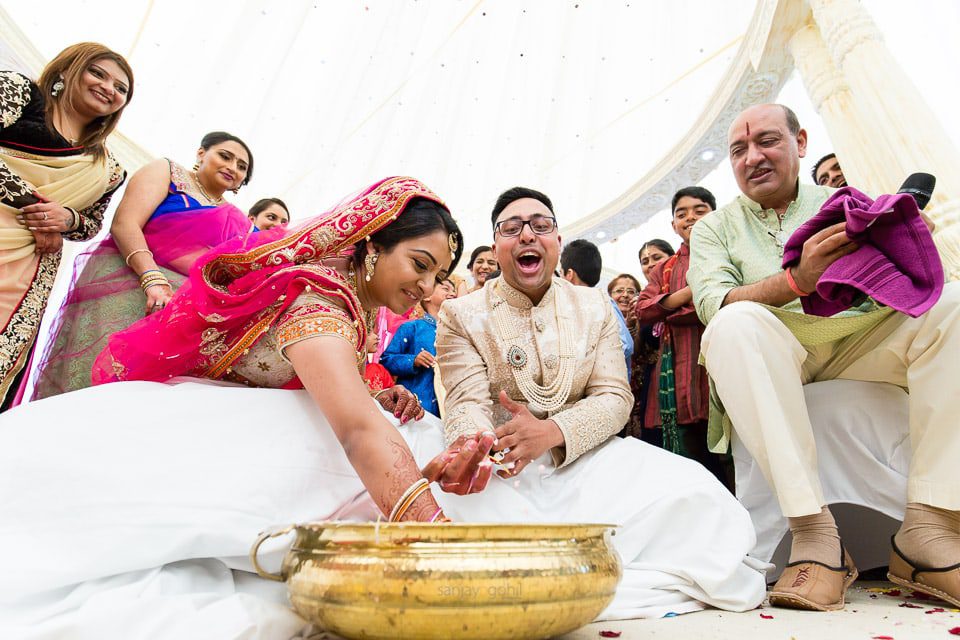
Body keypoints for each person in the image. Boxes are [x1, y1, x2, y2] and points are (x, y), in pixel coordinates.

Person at [0, 177, 505, 636]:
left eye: (438, 275)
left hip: (249, 427)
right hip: (216, 440)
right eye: (419, 264)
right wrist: (434, 536)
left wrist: (374, 392)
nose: (426, 286)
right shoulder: (319, 304)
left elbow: (316, 386)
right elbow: (356, 431)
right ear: (372, 243)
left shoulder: (355, 306)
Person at [432, 186, 767, 619]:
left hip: (587, 459)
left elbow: (613, 396)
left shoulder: (593, 305)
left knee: (699, 492)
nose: (528, 235)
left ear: (558, 240)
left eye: (541, 225)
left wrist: (553, 432)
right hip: (502, 465)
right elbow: (465, 399)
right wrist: (473, 447)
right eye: (512, 228)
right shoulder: (461, 313)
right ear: (496, 247)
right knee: (450, 509)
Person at [688, 103, 960, 612]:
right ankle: (814, 534)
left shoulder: (840, 201)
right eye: (739, 149)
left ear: (801, 142)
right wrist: (797, 281)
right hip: (774, 351)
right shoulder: (714, 229)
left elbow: (888, 287)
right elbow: (711, 302)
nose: (753, 157)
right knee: (732, 324)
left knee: (955, 305)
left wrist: (887, 245)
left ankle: (932, 525)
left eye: (767, 141)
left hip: (853, 340)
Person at [31, 131, 255, 399]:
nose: (232, 167)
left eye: (242, 167)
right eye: (225, 156)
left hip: (180, 308)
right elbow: (125, 223)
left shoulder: (240, 221)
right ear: (201, 153)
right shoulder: (168, 172)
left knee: (142, 389)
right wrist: (152, 279)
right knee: (95, 369)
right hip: (126, 281)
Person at [0, 43, 133, 409]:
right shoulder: (18, 92)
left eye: (121, 89)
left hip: (26, 269)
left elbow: (89, 224)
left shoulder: (108, 169)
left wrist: (67, 218)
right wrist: (36, 206)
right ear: (66, 71)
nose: (109, 88)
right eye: (99, 73)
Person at [636, 187, 729, 489]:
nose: (690, 217)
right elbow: (644, 309)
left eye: (699, 210)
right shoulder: (665, 267)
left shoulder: (731, 251)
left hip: (722, 368)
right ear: (673, 224)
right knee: (690, 466)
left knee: (735, 458)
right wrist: (689, 295)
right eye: (681, 213)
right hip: (676, 380)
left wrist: (672, 309)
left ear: (715, 215)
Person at [380, 278, 456, 417]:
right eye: (446, 288)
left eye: (454, 290)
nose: (453, 293)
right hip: (418, 407)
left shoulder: (457, 333)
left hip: (451, 408)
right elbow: (386, 360)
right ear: (427, 297)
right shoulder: (412, 327)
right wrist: (413, 360)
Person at [623, 239, 674, 442]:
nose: (650, 264)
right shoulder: (641, 301)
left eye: (656, 257)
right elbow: (637, 353)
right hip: (652, 383)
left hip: (679, 374)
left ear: (672, 258)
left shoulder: (683, 286)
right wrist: (631, 324)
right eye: (645, 261)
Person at [560, 238, 633, 376]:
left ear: (569, 274)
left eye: (561, 273)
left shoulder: (602, 302)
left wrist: (587, 361)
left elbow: (625, 345)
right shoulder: (572, 306)